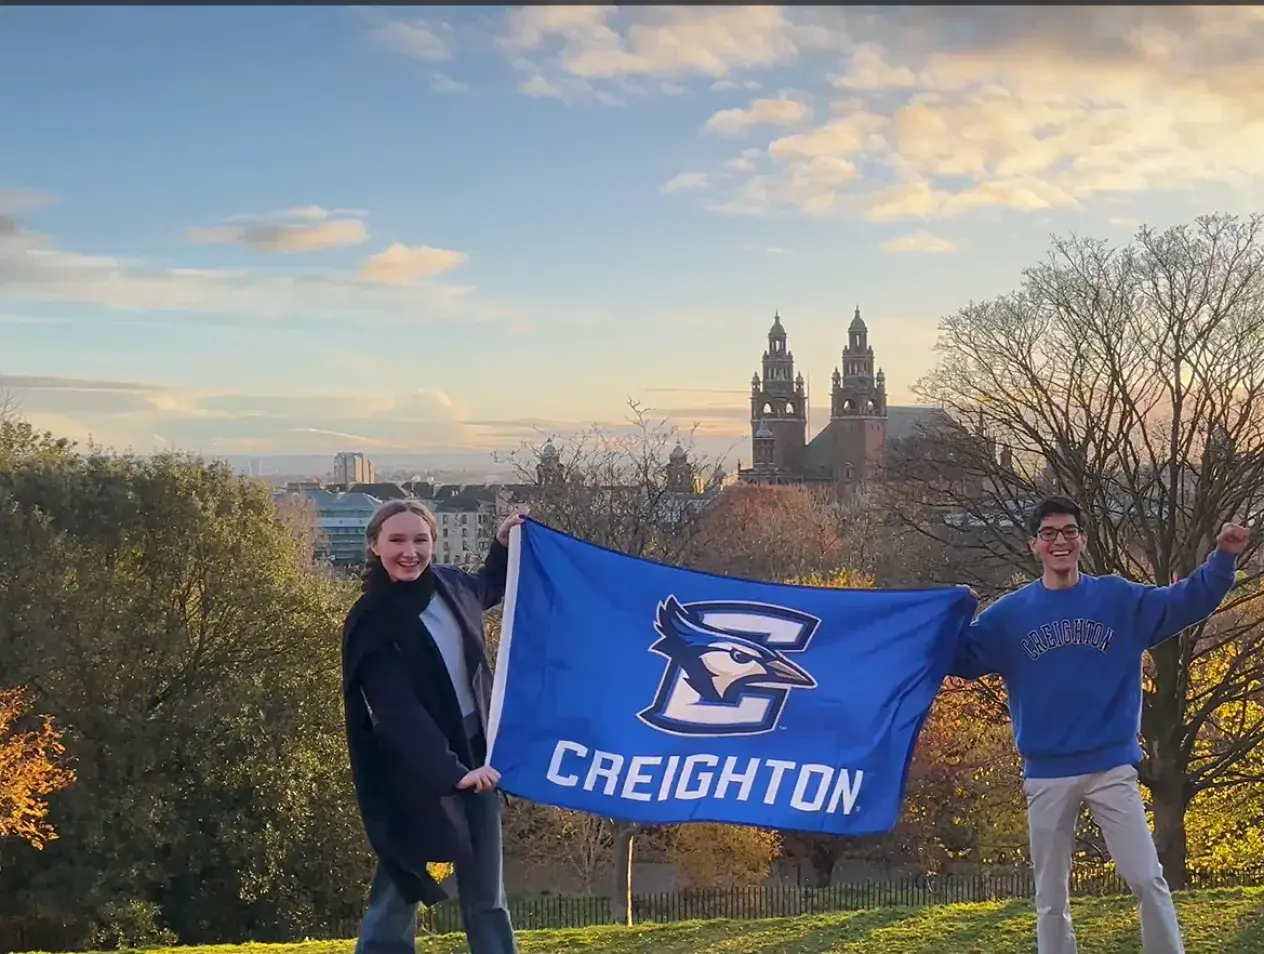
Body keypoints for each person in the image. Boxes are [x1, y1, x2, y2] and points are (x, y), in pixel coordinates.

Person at [950, 495, 1249, 954]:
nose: (1060, 541)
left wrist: (1224, 558)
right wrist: (946, 614)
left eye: (1069, 532)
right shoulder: (1012, 615)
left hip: (1111, 768)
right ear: (1034, 545)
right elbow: (961, 656)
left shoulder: (1117, 598)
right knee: (1051, 897)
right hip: (1047, 773)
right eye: (1049, 533)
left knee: (1147, 879)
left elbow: (1183, 602)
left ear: (1083, 540)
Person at [342, 499, 527, 954]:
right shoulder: (370, 620)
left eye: (420, 539)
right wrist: (451, 773)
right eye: (398, 540)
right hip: (413, 767)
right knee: (402, 881)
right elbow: (397, 711)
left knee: (487, 893)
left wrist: (502, 546)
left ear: (433, 544)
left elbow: (487, 587)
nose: (410, 551)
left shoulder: (448, 585)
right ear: (375, 546)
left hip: (476, 752)